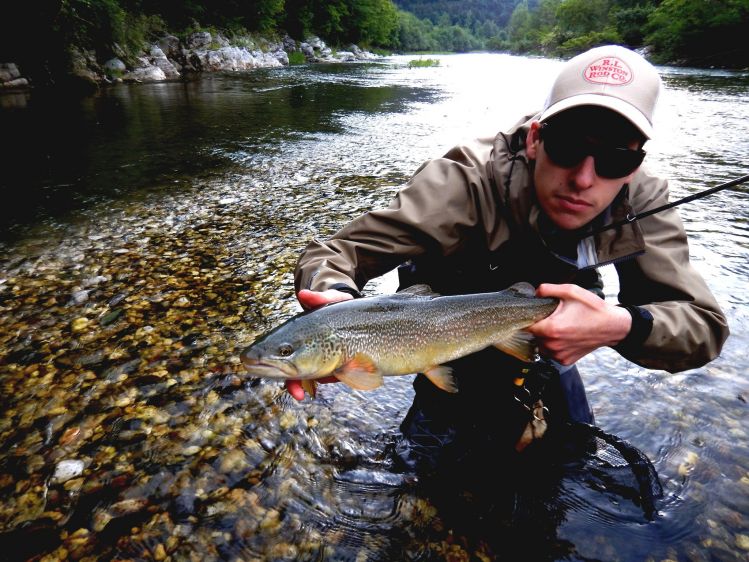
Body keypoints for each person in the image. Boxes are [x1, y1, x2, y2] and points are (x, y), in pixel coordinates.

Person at [285, 45, 729, 472]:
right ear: (536, 138)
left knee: (572, 462)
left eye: (614, 159)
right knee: (425, 469)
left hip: (543, 332)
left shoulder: (643, 197)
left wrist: (619, 326)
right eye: (569, 146)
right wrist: (335, 314)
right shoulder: (461, 181)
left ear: (634, 165)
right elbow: (336, 254)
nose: (583, 178)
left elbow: (702, 327)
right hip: (437, 325)